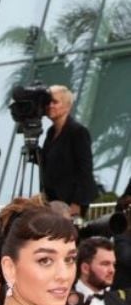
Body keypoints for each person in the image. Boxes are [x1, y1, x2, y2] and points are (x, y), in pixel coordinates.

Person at [39, 86, 96, 218]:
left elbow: (85, 170)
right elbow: (49, 162)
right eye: (48, 102)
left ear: (67, 106)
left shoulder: (78, 132)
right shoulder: (51, 132)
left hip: (71, 201)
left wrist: (77, 203)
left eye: (55, 102)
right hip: (53, 200)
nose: (50, 106)